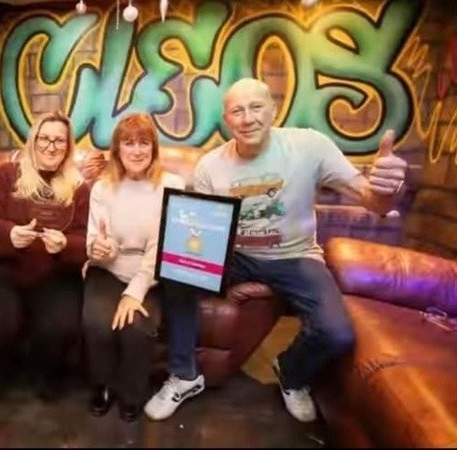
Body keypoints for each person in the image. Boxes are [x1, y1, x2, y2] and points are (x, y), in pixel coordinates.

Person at [143, 77, 407, 422]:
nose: (247, 118)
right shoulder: (210, 166)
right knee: (178, 275)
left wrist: (387, 190)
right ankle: (184, 376)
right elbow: (206, 230)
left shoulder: (309, 146)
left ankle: (291, 373)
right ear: (226, 118)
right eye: (237, 111)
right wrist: (185, 255)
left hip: (295, 256)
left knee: (337, 333)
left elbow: (373, 201)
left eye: (256, 107)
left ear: (273, 110)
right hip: (235, 256)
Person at [0, 110, 90, 400]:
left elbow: (86, 238)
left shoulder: (79, 187)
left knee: (60, 326)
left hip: (55, 273)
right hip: (4, 270)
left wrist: (66, 245)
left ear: (68, 146)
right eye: (44, 139)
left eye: (59, 140)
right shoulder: (6, 175)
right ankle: (0, 374)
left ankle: (44, 375)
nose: (51, 146)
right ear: (33, 141)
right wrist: (9, 234)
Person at [83, 113, 185, 421]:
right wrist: (99, 249)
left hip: (150, 272)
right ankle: (101, 386)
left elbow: (162, 245)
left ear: (154, 148)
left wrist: (135, 291)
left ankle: (131, 393)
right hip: (107, 270)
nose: (137, 150)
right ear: (117, 150)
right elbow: (94, 240)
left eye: (144, 143)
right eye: (129, 143)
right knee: (98, 324)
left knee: (137, 328)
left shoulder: (172, 185)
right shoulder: (102, 188)